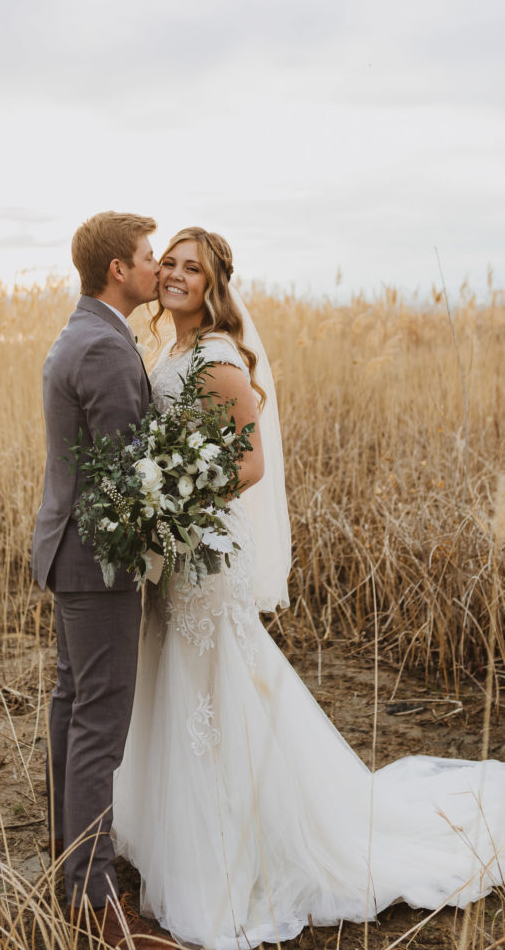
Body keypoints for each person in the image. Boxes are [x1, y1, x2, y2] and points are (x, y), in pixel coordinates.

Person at [113, 226, 505, 949]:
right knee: (178, 681)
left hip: (205, 546)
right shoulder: (168, 348)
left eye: (189, 268)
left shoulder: (217, 359)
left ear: (212, 284)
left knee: (214, 688)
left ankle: (232, 855)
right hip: (178, 549)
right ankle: (180, 834)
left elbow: (251, 464)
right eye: (166, 262)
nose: (172, 274)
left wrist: (172, 497)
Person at [31, 211, 170, 948]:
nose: (156, 270)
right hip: (98, 560)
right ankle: (92, 901)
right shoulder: (105, 349)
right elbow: (126, 477)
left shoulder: (82, 332)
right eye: (149, 257)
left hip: (70, 550)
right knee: (98, 721)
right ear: (118, 268)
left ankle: (70, 862)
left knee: (72, 706)